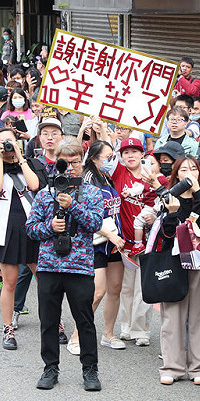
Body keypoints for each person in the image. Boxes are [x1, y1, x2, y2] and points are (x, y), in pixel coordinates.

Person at [25, 139, 104, 391]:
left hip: (79, 268)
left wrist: (74, 206)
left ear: (81, 161)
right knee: (48, 320)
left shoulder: (92, 192)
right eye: (64, 163)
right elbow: (30, 229)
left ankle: (90, 370)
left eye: (74, 162)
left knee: (85, 321)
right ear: (55, 163)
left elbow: (94, 223)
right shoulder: (45, 193)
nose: (69, 168)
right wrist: (50, 227)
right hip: (48, 267)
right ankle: (50, 368)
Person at [158, 157, 200, 385]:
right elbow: (164, 232)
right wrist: (172, 212)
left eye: (194, 168)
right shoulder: (167, 196)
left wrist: (198, 195)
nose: (189, 172)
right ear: (176, 174)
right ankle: (172, 367)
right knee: (172, 315)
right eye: (184, 169)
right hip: (173, 261)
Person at [66, 140, 126, 355]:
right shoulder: (87, 180)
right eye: (106, 157)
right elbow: (84, 216)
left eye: (112, 156)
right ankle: (76, 335)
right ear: (92, 158)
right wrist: (108, 233)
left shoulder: (108, 177)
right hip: (94, 242)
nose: (111, 161)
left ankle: (108, 334)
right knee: (97, 291)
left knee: (115, 288)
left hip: (114, 242)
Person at [0, 128, 40, 349]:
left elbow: (35, 185)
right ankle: (8, 328)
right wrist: (0, 159)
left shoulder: (32, 164)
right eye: (2, 141)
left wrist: (20, 156)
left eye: (10, 141)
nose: (7, 145)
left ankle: (54, 323)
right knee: (9, 282)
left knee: (44, 280)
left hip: (33, 230)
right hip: (5, 232)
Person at [112, 137, 156, 346]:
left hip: (149, 240)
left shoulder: (152, 175)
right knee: (126, 286)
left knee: (143, 287)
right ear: (121, 157)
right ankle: (125, 327)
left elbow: (162, 202)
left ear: (142, 154)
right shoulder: (119, 173)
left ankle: (141, 330)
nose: (130, 155)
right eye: (126, 152)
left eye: (134, 151)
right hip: (125, 241)